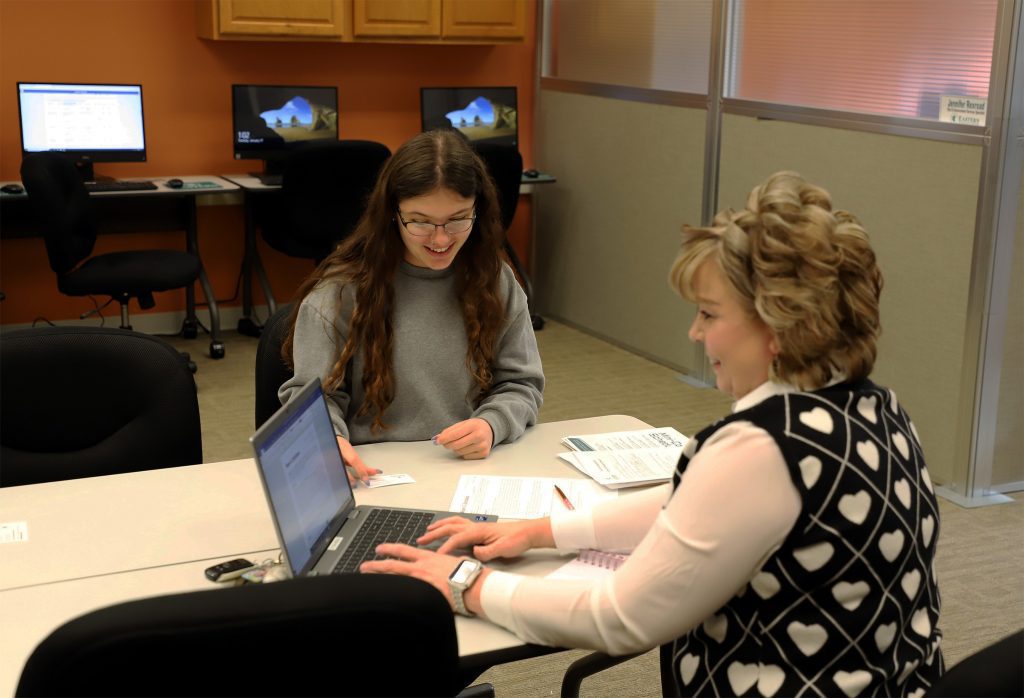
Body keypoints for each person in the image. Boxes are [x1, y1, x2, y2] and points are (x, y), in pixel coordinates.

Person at [363, 171, 944, 696]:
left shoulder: (760, 449)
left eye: (710, 314)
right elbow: (691, 505)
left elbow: (621, 618)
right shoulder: (874, 407)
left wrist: (466, 584)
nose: (695, 333)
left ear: (778, 325)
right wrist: (540, 531)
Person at [279, 129, 544, 482]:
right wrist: (329, 440)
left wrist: (492, 424)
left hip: (466, 468)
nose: (441, 238)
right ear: (392, 213)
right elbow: (311, 402)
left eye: (458, 219)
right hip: (375, 471)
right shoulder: (341, 292)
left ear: (478, 210)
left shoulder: (495, 281)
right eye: (420, 221)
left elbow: (521, 384)